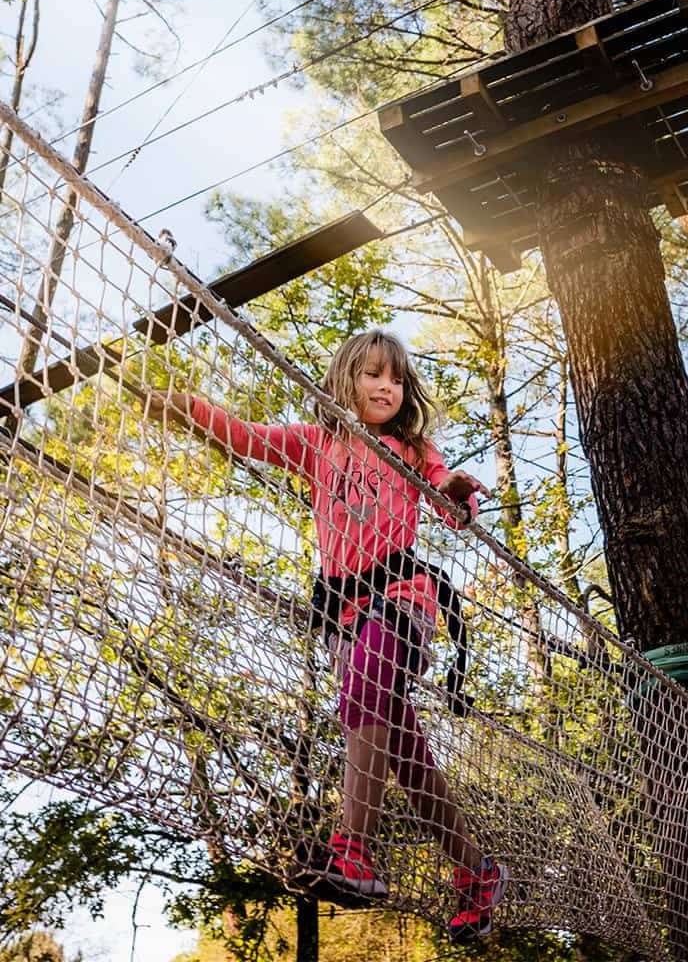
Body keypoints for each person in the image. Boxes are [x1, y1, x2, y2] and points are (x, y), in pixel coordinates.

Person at [147, 329, 508, 942]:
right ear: (346, 380)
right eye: (372, 374)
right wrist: (188, 406)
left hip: (402, 597)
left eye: (395, 378)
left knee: (365, 689)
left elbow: (452, 507)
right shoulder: (316, 444)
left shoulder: (414, 451)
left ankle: (354, 851)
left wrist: (456, 494)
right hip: (345, 612)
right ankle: (476, 872)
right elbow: (245, 438)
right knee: (405, 759)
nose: (386, 386)